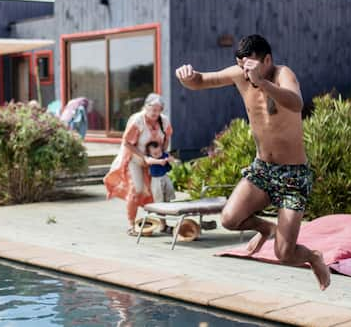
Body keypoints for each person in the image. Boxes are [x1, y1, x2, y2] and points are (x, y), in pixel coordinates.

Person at [175, 34, 331, 291]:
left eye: (251, 67)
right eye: (242, 67)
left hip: (293, 176)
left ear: (267, 60)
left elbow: (296, 103)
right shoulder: (240, 73)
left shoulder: (283, 75)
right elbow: (202, 80)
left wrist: (262, 83)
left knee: (285, 254)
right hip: (262, 169)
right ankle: (266, 228)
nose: (246, 74)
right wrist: (188, 78)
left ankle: (313, 257)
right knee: (229, 218)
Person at [103, 93, 173, 236]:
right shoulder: (137, 121)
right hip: (136, 159)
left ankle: (163, 225)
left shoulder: (164, 121)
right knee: (137, 190)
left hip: (154, 161)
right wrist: (144, 157)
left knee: (159, 191)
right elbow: (127, 143)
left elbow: (166, 138)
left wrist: (164, 154)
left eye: (158, 110)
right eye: (152, 109)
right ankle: (131, 225)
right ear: (146, 107)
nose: (155, 113)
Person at [145, 140, 177, 234]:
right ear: (150, 153)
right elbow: (148, 161)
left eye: (159, 152)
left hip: (165, 176)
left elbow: (172, 159)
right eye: (155, 153)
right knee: (159, 199)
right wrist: (159, 161)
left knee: (169, 191)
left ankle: (167, 202)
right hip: (156, 179)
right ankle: (162, 222)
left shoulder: (164, 155)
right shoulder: (150, 158)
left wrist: (170, 160)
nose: (158, 154)